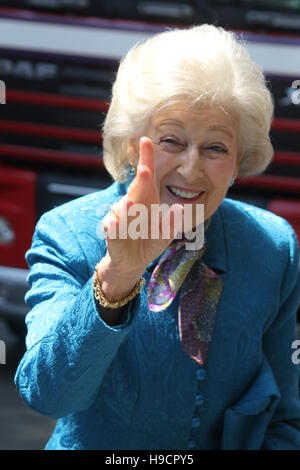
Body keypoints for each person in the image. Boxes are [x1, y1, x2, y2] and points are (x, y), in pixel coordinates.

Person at [15, 24, 300, 450]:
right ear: (133, 146)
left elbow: (286, 419)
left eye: (216, 148)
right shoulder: (69, 234)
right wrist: (117, 275)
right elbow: (47, 395)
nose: (190, 168)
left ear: (239, 158)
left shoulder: (272, 246)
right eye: (171, 141)